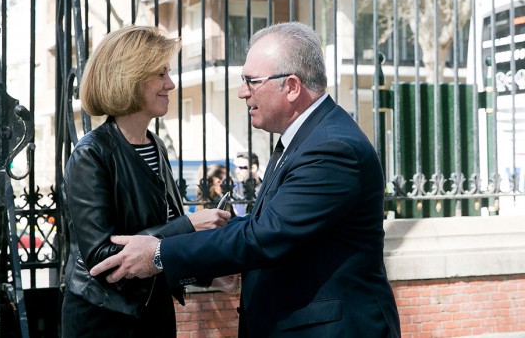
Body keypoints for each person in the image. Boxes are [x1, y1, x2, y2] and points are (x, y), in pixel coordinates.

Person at [90, 21, 401, 337]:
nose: (242, 92)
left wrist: (159, 254)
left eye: (252, 81)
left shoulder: (331, 148)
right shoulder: (308, 138)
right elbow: (268, 224)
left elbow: (266, 235)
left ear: (292, 87)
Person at [60, 25, 230, 338]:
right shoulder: (91, 153)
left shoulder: (156, 145)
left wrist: (208, 272)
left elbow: (162, 238)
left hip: (155, 311)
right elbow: (102, 258)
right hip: (104, 319)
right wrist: (189, 225)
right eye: (160, 74)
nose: (171, 84)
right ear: (130, 76)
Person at [232, 151, 262, 216]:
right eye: (236, 167)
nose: (237, 171)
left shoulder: (266, 190)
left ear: (253, 168)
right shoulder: (234, 189)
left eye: (241, 167)